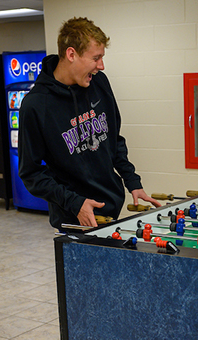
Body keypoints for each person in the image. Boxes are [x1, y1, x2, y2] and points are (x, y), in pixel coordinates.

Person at [18, 17, 160, 230]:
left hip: (111, 208)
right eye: (96, 58)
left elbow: (114, 139)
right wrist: (74, 203)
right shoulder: (36, 105)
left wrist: (132, 181)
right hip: (74, 218)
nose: (101, 66)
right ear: (71, 54)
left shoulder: (99, 83)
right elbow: (31, 174)